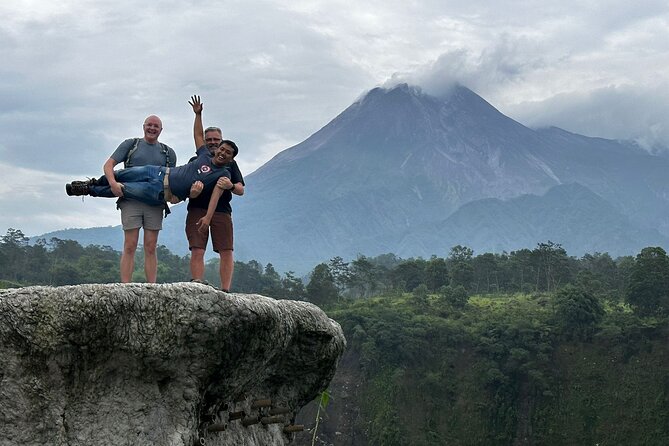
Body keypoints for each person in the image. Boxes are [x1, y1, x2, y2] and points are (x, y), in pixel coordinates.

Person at [66, 140, 239, 241]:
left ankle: (89, 191)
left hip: (160, 190)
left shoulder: (223, 174)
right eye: (221, 149)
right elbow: (199, 135)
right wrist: (198, 114)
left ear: (231, 158)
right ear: (217, 149)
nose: (223, 153)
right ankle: (91, 183)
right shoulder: (205, 155)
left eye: (228, 153)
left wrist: (208, 218)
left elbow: (216, 196)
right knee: (121, 174)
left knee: (123, 189)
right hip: (159, 171)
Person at [103, 116, 177, 283]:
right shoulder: (131, 145)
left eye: (156, 126)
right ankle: (125, 286)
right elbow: (108, 165)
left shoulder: (168, 153)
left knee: (151, 246)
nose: (152, 128)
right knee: (130, 244)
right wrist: (113, 184)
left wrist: (174, 196)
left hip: (155, 203)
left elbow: (171, 180)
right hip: (130, 200)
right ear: (143, 126)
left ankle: (152, 286)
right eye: (149, 125)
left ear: (161, 130)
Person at [186, 96, 245, 291]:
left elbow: (241, 189)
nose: (212, 143)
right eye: (209, 140)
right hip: (197, 207)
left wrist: (229, 185)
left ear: (222, 142)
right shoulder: (199, 157)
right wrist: (198, 114)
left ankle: (225, 290)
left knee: (226, 249)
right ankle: (197, 284)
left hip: (222, 210)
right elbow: (196, 136)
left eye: (216, 140)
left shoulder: (231, 163)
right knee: (197, 247)